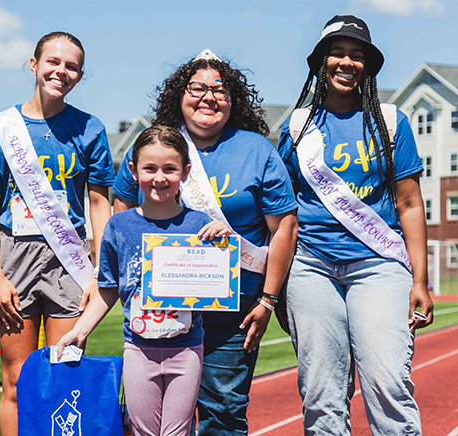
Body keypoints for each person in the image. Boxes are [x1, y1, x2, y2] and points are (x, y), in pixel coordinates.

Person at [113, 51, 298, 435]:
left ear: (234, 100)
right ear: (179, 95)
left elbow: (285, 227)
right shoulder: (159, 144)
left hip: (235, 309)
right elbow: (122, 210)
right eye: (197, 88)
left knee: (224, 412)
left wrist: (267, 300)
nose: (208, 97)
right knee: (156, 419)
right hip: (161, 306)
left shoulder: (257, 149)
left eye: (220, 89)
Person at [277, 15, 434, 435]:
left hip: (379, 263)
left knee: (388, 383)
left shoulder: (392, 121)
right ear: (320, 63)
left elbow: (409, 202)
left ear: (368, 67)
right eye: (337, 53)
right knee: (321, 392)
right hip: (310, 266)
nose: (347, 62)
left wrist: (420, 280)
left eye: (357, 55)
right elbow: (280, 212)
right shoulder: (296, 127)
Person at [0, 31, 115, 435]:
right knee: (16, 380)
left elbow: (99, 202)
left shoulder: (90, 128)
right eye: (53, 62)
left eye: (71, 66)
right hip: (14, 258)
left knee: (64, 376)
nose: (61, 72)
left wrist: (100, 269)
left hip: (70, 262)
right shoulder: (2, 128)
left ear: (80, 76)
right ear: (34, 64)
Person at [58, 125, 232, 436]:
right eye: (149, 168)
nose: (159, 177)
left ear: (185, 171)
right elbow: (108, 289)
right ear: (133, 170)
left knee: (177, 433)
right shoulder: (119, 226)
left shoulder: (202, 225)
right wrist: (79, 330)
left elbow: (226, 279)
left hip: (187, 349)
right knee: (142, 432)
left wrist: (226, 242)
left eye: (170, 168)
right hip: (138, 349)